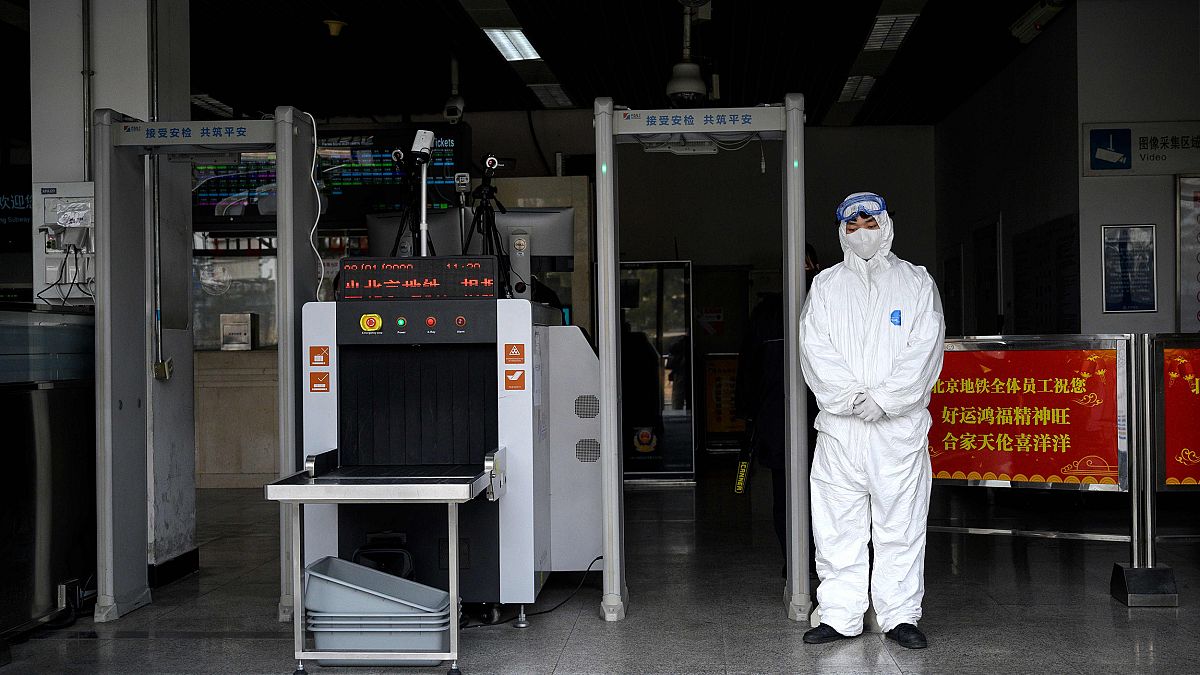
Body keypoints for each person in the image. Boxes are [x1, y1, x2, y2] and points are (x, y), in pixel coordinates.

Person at [798, 192, 945, 650]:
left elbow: (925, 350)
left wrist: (885, 400)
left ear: (886, 224)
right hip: (841, 432)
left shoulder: (917, 284)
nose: (862, 233)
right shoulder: (825, 286)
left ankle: (899, 615)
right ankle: (841, 614)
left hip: (896, 432)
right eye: (853, 225)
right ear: (842, 232)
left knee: (900, 526)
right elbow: (814, 349)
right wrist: (852, 398)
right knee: (836, 526)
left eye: (870, 222)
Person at [735, 245, 822, 577]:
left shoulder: (833, 305)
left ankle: (826, 561)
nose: (800, 271)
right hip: (778, 423)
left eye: (805, 264)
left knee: (831, 496)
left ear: (816, 266)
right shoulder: (767, 313)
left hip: (830, 421)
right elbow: (748, 371)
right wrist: (748, 418)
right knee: (787, 497)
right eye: (793, 265)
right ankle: (796, 561)